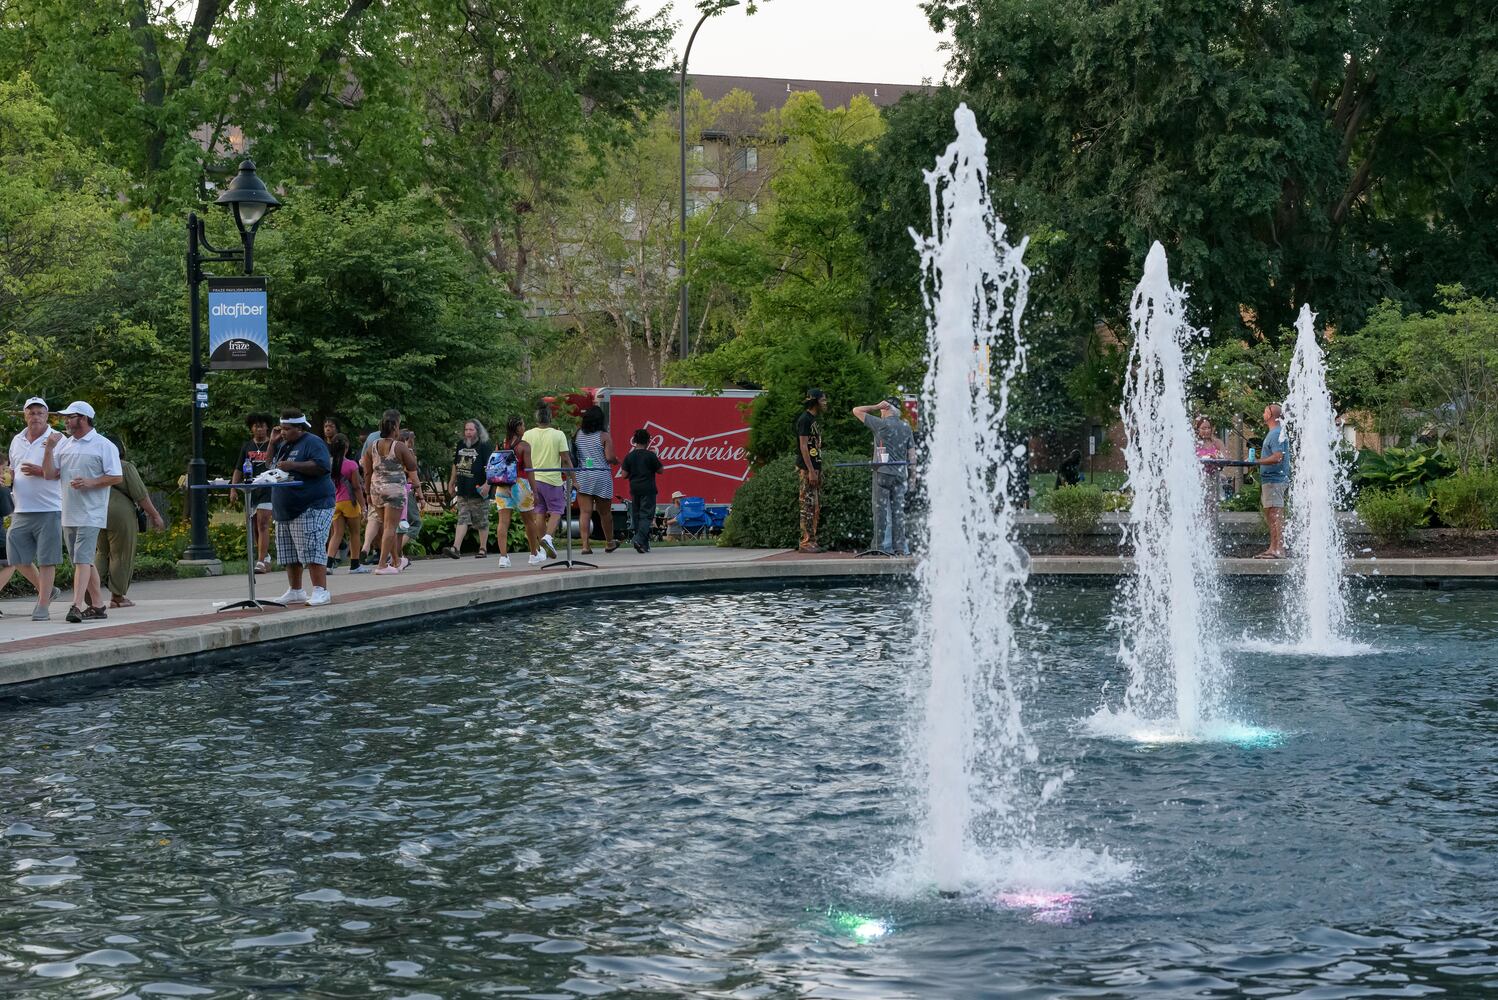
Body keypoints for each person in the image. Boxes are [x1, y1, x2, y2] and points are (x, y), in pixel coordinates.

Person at [49, 401, 123, 623]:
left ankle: (76, 605)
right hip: (68, 511)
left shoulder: (103, 445)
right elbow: (52, 473)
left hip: (92, 512)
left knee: (82, 559)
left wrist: (91, 482)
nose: (65, 421)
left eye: (69, 417)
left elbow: (116, 476)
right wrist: (47, 449)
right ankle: (98, 606)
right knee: (81, 561)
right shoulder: (65, 445)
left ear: (83, 418)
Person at [0, 397, 65, 620]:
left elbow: (64, 472)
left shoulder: (58, 439)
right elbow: (13, 469)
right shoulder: (17, 439)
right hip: (21, 508)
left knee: (47, 558)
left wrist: (41, 470)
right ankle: (47, 590)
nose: (35, 416)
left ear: (47, 416)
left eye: (39, 412)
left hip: (49, 507)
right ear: (25, 415)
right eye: (31, 412)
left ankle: (43, 605)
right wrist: (6, 477)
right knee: (15, 556)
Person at [269, 409, 335, 605]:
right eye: (281, 429)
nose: (283, 433)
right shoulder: (282, 444)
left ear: (299, 428)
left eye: (286, 429)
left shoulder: (313, 442)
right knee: (289, 552)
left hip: (311, 505)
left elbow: (323, 466)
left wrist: (293, 466)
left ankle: (321, 590)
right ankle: (296, 590)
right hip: (286, 509)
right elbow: (270, 466)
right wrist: (272, 444)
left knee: (312, 547)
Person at [95, 437, 164, 608]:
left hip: (96, 511)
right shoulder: (124, 466)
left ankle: (90, 592)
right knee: (121, 554)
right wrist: (155, 515)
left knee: (101, 552)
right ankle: (117, 597)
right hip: (120, 513)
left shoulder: (95, 466)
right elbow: (140, 495)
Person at [853, 397, 915, 556]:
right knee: (898, 513)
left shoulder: (881, 425)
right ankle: (899, 548)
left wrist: (875, 404)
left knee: (879, 511)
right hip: (900, 474)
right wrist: (913, 478)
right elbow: (912, 454)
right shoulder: (906, 427)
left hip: (882, 473)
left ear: (885, 409)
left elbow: (856, 410)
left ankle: (879, 546)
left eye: (882, 409)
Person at [361, 411, 420, 574]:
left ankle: (396, 561)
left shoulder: (372, 446)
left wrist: (367, 493)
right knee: (390, 528)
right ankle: (381, 565)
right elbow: (412, 465)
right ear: (395, 428)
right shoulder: (399, 446)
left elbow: (367, 471)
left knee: (385, 527)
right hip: (394, 490)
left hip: (376, 489)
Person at [521, 404, 574, 559]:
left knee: (539, 512)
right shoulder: (558, 435)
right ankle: (548, 538)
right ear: (550, 418)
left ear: (536, 419)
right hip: (552, 479)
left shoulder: (527, 435)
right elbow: (565, 458)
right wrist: (574, 479)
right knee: (558, 509)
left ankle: (543, 549)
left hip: (533, 479)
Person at [492, 415, 542, 567]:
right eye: (523, 425)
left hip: (502, 485)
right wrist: (535, 491)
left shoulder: (501, 444)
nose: (524, 428)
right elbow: (530, 470)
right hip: (519, 485)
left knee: (503, 522)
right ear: (518, 427)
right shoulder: (524, 446)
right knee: (529, 521)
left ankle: (503, 558)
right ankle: (534, 554)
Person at [232, 413, 276, 573]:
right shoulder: (247, 446)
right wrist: (233, 488)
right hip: (251, 490)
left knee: (263, 523)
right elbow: (238, 468)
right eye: (256, 426)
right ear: (251, 428)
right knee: (255, 526)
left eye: (262, 425)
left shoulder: (272, 445)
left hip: (267, 489)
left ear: (267, 427)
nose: (259, 429)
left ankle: (260, 561)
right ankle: (266, 556)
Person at [572, 405, 619, 554]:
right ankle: (609, 542)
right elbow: (609, 457)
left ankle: (585, 545)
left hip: (583, 475)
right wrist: (616, 460)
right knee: (605, 513)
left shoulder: (578, 434)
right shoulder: (604, 436)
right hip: (601, 475)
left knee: (585, 512)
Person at [445, 419, 493, 558]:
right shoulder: (461, 444)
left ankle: (483, 549)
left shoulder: (484, 446)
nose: (468, 433)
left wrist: (487, 485)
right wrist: (451, 481)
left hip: (479, 489)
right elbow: (456, 464)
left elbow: (492, 466)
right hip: (464, 488)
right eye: (466, 430)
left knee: (481, 520)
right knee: (462, 518)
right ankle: (455, 548)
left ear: (478, 430)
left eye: (471, 430)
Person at [325, 434, 367, 574]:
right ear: (346, 448)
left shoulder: (328, 464)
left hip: (335, 502)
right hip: (350, 502)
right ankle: (354, 565)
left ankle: (328, 564)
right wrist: (363, 506)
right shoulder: (351, 465)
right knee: (354, 533)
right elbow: (356, 487)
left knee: (336, 534)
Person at [1255, 403, 1291, 559]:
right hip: (1271, 480)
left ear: (1270, 414)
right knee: (1271, 514)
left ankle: (1278, 550)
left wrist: (1257, 462)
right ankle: (1273, 548)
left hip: (1275, 480)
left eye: (1264, 412)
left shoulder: (1276, 434)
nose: (1263, 414)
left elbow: (1277, 457)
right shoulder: (1275, 432)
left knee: (1275, 514)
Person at [795, 388, 829, 553]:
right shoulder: (805, 420)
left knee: (815, 506)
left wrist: (817, 468)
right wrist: (810, 470)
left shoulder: (815, 420)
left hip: (815, 466)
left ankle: (813, 539)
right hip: (806, 469)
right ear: (815, 401)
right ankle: (805, 542)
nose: (825, 403)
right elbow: (803, 446)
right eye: (823, 400)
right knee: (806, 505)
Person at [620, 428, 662, 553]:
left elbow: (623, 475)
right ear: (648, 441)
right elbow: (661, 470)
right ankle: (638, 539)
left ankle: (643, 545)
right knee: (647, 515)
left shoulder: (629, 456)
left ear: (635, 441)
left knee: (637, 516)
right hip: (648, 489)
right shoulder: (650, 455)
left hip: (634, 488)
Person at [1194, 416, 1226, 517]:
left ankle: (1213, 529)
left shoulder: (1217, 443)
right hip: (1197, 478)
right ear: (1198, 430)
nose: (1207, 431)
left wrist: (1218, 458)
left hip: (1213, 477)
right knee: (1198, 505)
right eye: (1203, 428)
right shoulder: (1193, 443)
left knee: (1211, 506)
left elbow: (1226, 459)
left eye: (1208, 428)